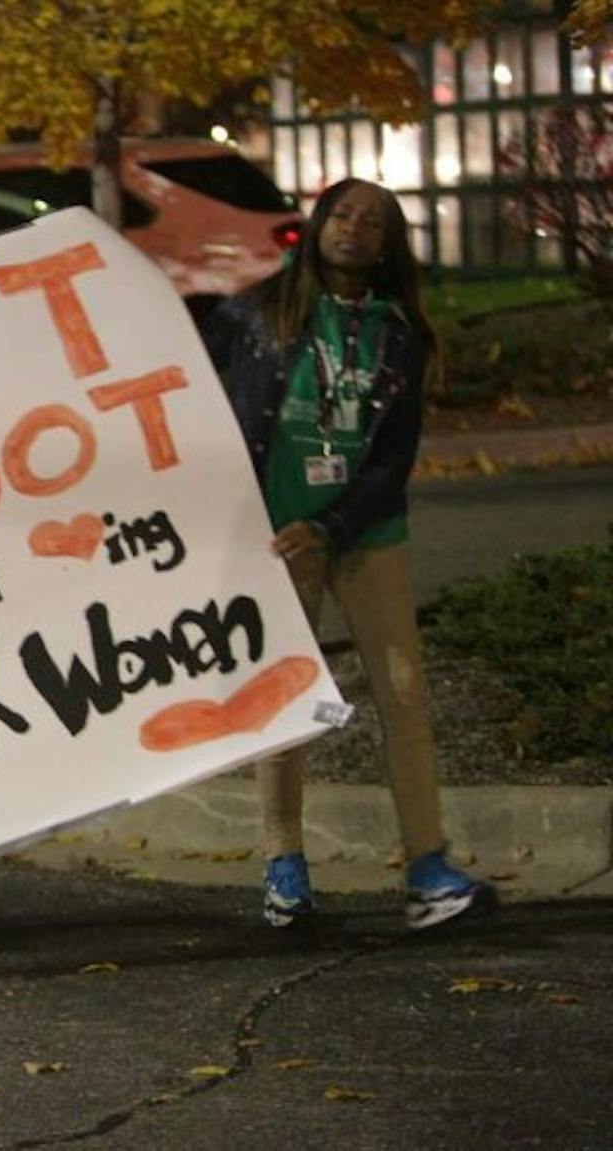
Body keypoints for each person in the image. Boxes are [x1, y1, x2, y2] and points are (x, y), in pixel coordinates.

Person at [200, 178, 493, 932]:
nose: (354, 229)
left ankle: (428, 866)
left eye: (373, 221)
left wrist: (331, 526)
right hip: (274, 537)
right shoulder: (253, 312)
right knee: (287, 699)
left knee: (403, 692)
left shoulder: (400, 334)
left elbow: (393, 460)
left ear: (389, 243)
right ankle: (284, 865)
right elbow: (192, 406)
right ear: (318, 223)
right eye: (342, 214)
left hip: (364, 533)